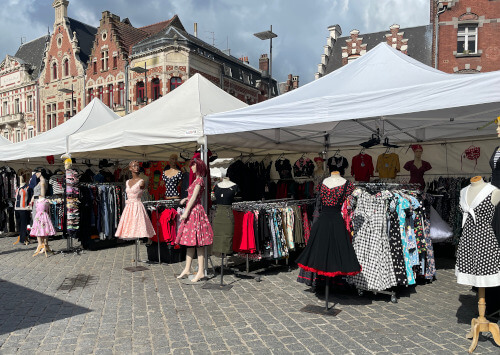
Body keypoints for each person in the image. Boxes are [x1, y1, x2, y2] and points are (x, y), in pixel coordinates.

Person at [175, 158, 213, 283]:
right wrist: (185, 199)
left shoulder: (200, 180)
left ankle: (201, 271)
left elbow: (195, 198)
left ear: (199, 166)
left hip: (195, 212)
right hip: (192, 211)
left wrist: (186, 212)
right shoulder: (196, 180)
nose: (191, 167)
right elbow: (192, 196)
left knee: (198, 243)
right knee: (191, 242)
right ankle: (187, 269)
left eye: (193, 165)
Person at [115, 161, 155, 240]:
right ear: (130, 168)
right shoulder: (127, 182)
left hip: (137, 207)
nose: (136, 167)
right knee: (129, 227)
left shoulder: (141, 181)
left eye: (137, 166)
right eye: (134, 166)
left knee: (138, 227)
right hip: (129, 208)